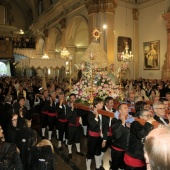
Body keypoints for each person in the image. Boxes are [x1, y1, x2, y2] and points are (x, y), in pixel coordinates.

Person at [86, 97, 106, 170]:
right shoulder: (91, 114)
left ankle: (97, 167)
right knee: (90, 153)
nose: (102, 105)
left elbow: (103, 126)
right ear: (96, 105)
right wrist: (96, 116)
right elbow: (93, 125)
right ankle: (88, 168)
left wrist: (104, 138)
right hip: (92, 137)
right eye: (101, 103)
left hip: (99, 136)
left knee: (98, 152)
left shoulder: (102, 113)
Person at [110, 103, 130, 170]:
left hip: (127, 149)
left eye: (127, 108)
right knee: (115, 166)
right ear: (120, 111)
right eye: (125, 108)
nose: (127, 109)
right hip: (117, 149)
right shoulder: (115, 120)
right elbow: (117, 135)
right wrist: (123, 122)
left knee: (123, 167)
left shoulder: (130, 120)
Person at [66, 93, 84, 159]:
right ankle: (70, 152)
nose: (72, 100)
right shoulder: (68, 107)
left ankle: (78, 151)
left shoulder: (78, 106)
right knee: (70, 139)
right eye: (71, 98)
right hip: (71, 126)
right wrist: (71, 109)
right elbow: (67, 116)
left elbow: (82, 113)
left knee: (77, 138)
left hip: (78, 126)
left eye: (73, 98)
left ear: (75, 98)